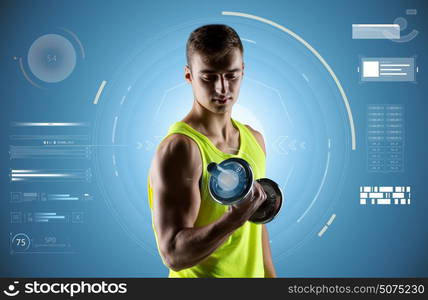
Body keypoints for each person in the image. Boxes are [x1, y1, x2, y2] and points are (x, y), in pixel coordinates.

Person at [147, 24, 276, 278]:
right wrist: (232, 220)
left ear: (243, 72)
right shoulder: (180, 149)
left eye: (231, 75)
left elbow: (256, 229)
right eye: (209, 77)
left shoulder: (255, 140)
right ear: (189, 76)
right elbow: (173, 254)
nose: (221, 88)